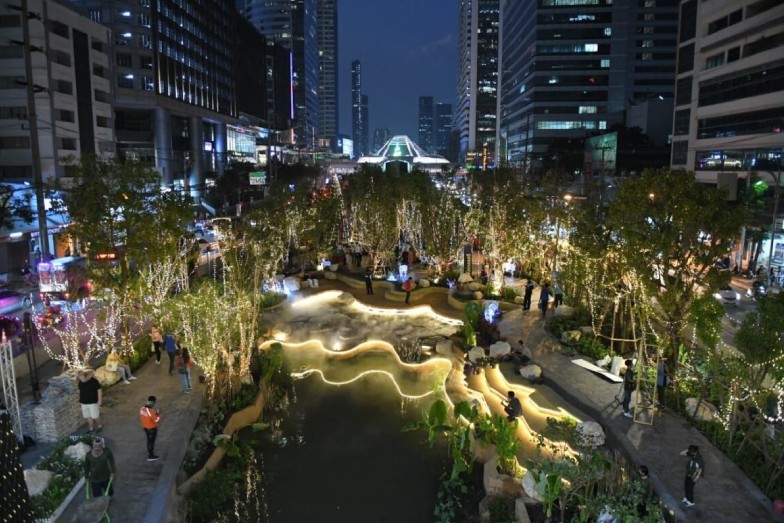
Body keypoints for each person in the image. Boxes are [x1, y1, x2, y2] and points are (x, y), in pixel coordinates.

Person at [77, 369, 103, 433]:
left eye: (81, 376)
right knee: (88, 416)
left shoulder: (93, 381)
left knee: (95, 416)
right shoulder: (80, 382)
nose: (80, 378)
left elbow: (99, 390)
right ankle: (91, 428)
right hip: (84, 402)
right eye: (79, 376)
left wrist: (99, 400)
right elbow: (81, 391)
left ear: (85, 376)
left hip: (93, 402)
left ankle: (99, 426)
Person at [140, 396, 161, 461]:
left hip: (145, 427)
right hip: (151, 428)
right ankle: (150, 456)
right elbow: (156, 419)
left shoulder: (142, 408)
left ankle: (150, 454)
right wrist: (158, 413)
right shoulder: (150, 411)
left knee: (149, 440)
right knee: (151, 442)